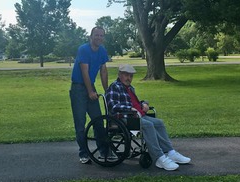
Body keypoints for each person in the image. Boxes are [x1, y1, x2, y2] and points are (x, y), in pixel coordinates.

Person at [105, 64, 191, 171]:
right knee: (148, 125)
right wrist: (130, 108)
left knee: (159, 122)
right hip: (123, 118)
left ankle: (170, 152)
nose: (129, 78)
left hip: (137, 116)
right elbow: (113, 106)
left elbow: (136, 103)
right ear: (120, 75)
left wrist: (144, 103)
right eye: (126, 75)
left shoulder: (130, 88)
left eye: (131, 76)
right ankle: (159, 157)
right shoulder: (114, 87)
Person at [69, 26, 109, 164]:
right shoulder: (84, 49)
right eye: (96, 35)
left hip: (90, 86)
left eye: (101, 35)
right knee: (80, 124)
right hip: (78, 88)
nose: (99, 37)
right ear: (90, 36)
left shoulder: (102, 51)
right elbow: (84, 71)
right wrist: (90, 91)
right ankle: (83, 153)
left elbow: (103, 71)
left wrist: (107, 90)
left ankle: (104, 151)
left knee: (98, 121)